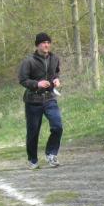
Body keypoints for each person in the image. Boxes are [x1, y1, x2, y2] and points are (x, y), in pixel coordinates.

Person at [18, 33, 63, 169]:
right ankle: (33, 160)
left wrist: (56, 79)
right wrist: (37, 84)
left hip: (50, 98)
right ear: (37, 45)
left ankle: (51, 154)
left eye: (48, 42)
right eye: (43, 43)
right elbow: (23, 80)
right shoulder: (29, 61)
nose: (46, 45)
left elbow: (56, 72)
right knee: (33, 132)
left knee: (57, 126)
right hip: (33, 100)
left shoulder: (54, 58)